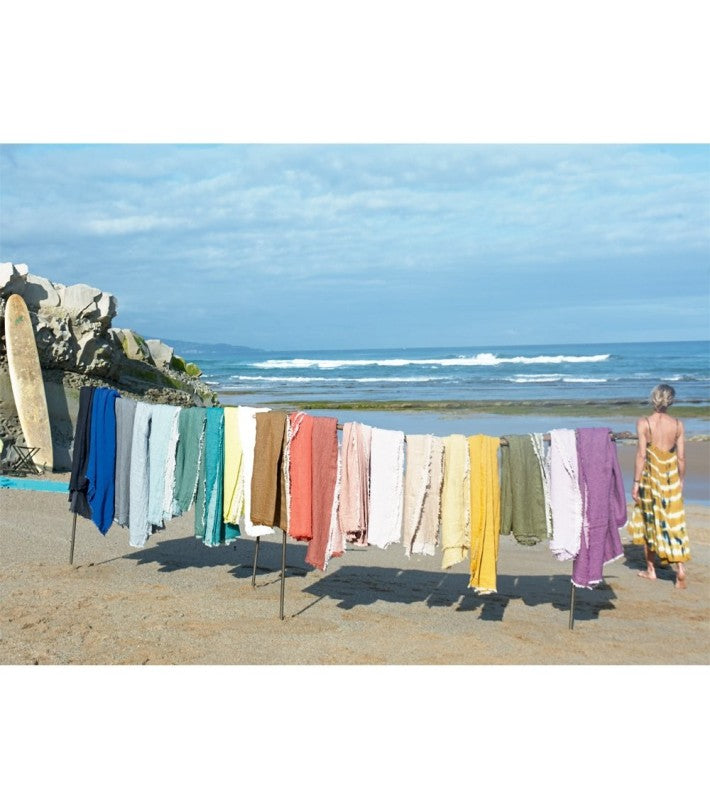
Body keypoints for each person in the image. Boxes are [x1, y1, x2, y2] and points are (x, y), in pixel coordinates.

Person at [628, 383, 690, 588]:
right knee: (673, 521)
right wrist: (681, 479)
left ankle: (651, 570)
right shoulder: (678, 424)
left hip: (651, 478)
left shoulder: (644, 423)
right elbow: (681, 457)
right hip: (670, 477)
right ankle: (680, 568)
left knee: (649, 520)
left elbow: (641, 455)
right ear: (671, 401)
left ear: (653, 398)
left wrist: (636, 482)